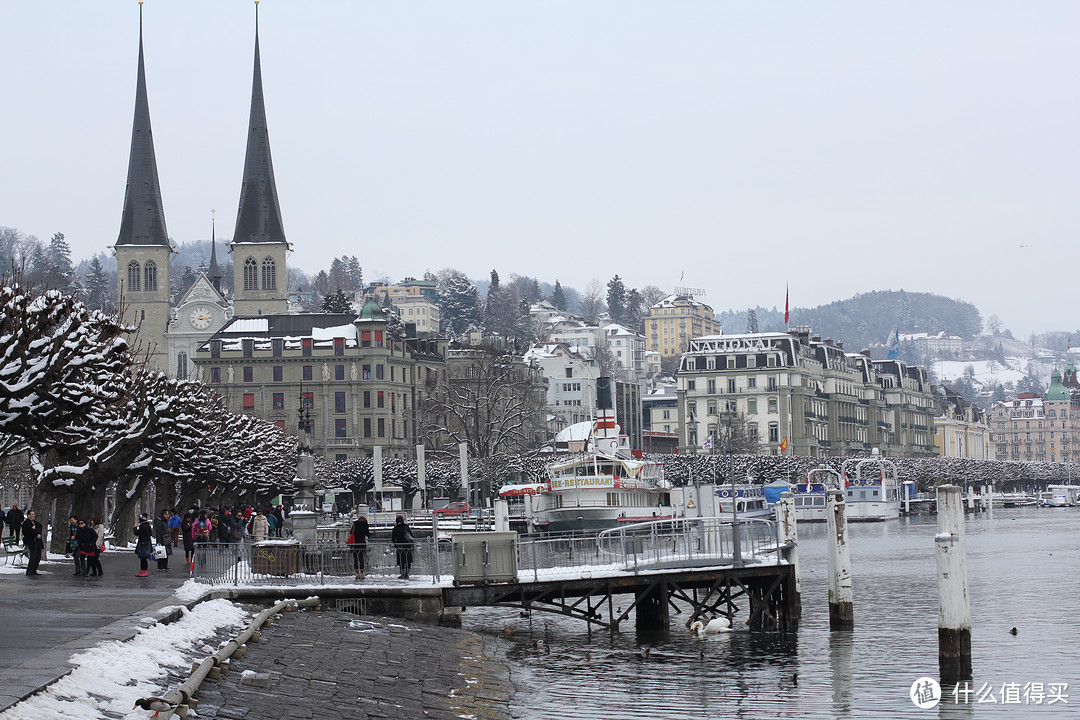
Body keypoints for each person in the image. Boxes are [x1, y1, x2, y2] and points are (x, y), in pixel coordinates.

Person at [390, 515, 415, 580]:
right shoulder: (406, 527)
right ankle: (407, 574)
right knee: (408, 561)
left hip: (400, 547)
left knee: (401, 561)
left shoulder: (395, 528)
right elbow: (411, 536)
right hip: (407, 546)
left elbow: (393, 539)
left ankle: (402, 574)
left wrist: (396, 545)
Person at [348, 514, 370, 579]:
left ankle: (357, 573)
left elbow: (351, 533)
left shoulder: (355, 525)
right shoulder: (365, 525)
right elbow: (368, 534)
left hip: (354, 544)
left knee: (355, 559)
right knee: (361, 558)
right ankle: (362, 573)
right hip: (362, 544)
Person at [22, 510, 43, 576]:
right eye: (32, 514)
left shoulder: (34, 523)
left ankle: (34, 570)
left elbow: (40, 527)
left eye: (33, 514)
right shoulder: (26, 523)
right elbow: (28, 531)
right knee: (33, 556)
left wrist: (36, 529)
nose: (33, 515)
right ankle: (30, 571)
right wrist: (36, 533)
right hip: (32, 541)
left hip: (38, 541)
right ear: (28, 515)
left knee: (38, 556)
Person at [133, 513, 153, 577]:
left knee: (143, 558)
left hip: (143, 543)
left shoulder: (143, 526)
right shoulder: (148, 525)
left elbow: (137, 533)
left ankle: (144, 570)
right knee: (143, 558)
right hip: (146, 542)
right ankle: (142, 570)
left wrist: (135, 528)